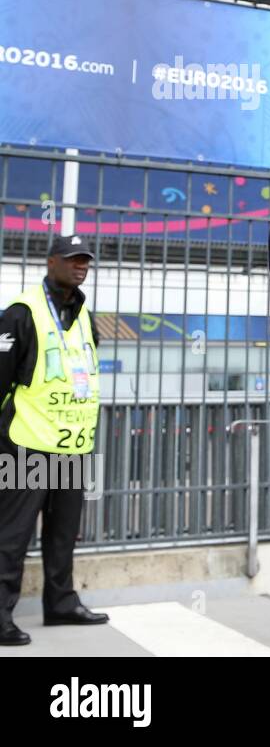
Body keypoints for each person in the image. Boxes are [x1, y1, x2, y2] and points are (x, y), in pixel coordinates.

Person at [0, 235, 110, 646]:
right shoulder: (21, 313)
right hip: (27, 444)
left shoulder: (83, 314)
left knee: (64, 534)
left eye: (85, 260)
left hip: (72, 444)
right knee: (11, 535)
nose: (80, 266)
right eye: (72, 259)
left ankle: (61, 602)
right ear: (50, 262)